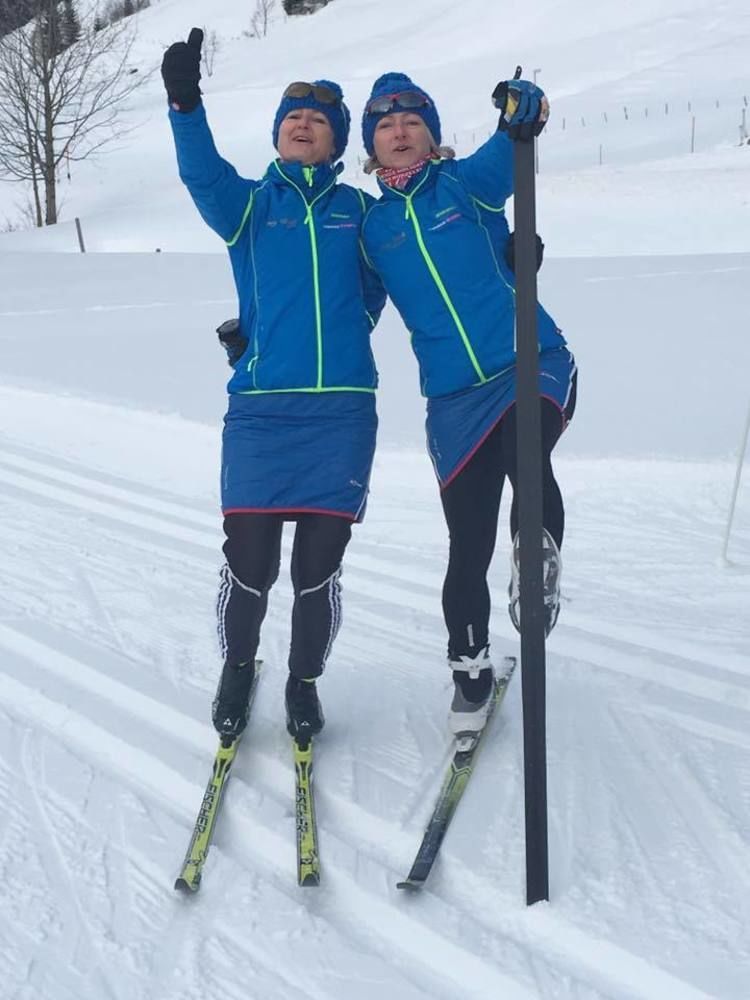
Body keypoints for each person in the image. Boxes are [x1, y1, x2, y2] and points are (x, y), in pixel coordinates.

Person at [161, 29, 386, 745]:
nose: (303, 122)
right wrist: (184, 104)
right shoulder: (252, 206)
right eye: (293, 114)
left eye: (319, 118)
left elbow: (400, 274)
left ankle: (304, 679)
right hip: (261, 413)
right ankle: (238, 667)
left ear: (337, 140)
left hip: (343, 415)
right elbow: (202, 175)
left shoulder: (360, 211)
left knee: (317, 570)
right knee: (250, 561)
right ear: (278, 133)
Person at [359, 72, 577, 735]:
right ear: (372, 146)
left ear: (432, 135)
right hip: (453, 399)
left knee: (525, 449)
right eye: (386, 126)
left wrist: (521, 105)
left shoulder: (467, 186)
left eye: (412, 122)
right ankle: (469, 668)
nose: (400, 133)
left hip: (527, 360)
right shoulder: (370, 232)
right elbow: (349, 317)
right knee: (466, 542)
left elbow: (520, 134)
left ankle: (535, 559)